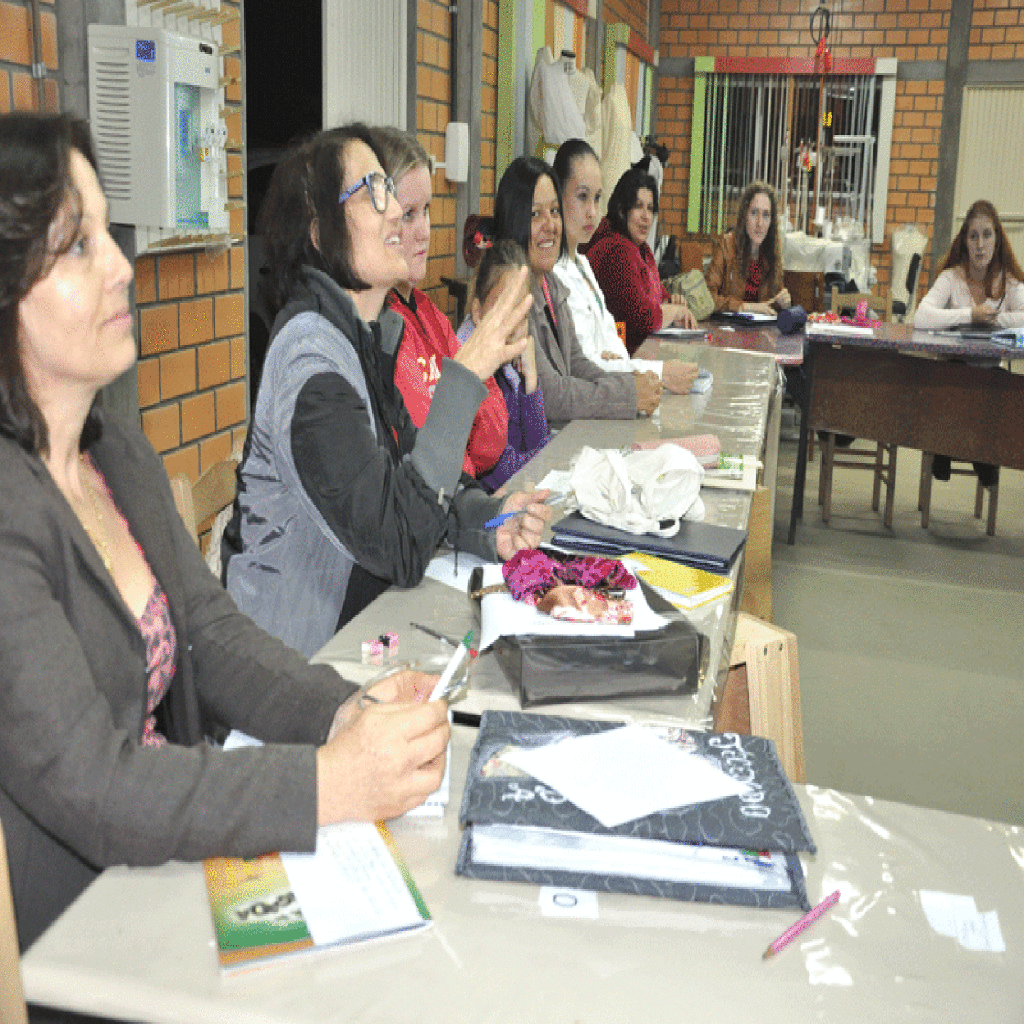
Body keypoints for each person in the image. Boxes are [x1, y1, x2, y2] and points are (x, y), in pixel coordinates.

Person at [0, 112, 454, 954]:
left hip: (168, 869)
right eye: (77, 246)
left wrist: (343, 709)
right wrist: (328, 782)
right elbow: (97, 784)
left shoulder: (112, 450)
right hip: (76, 943)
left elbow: (210, 635)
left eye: (109, 233)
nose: (119, 267)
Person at [224, 125, 550, 657]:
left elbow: (413, 480)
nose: (396, 210)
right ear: (319, 232)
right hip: (289, 675)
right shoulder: (310, 364)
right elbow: (398, 540)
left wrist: (490, 523)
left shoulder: (360, 340)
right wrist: (462, 378)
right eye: (374, 191)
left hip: (355, 645)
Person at [370, 127, 513, 479]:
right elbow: (436, 465)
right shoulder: (380, 327)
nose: (424, 231)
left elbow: (492, 439)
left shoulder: (430, 314)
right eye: (408, 215)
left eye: (427, 210)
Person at [492, 156, 659, 423]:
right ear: (514, 218)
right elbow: (551, 396)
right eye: (535, 214)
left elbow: (576, 362)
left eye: (554, 211)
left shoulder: (549, 281)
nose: (550, 225)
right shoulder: (509, 290)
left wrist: (629, 384)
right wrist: (626, 394)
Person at [551, 139, 699, 396]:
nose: (592, 211)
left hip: (616, 386)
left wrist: (618, 363)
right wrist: (659, 373)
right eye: (582, 197)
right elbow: (582, 367)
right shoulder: (596, 256)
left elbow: (613, 346)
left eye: (597, 198)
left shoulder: (583, 263)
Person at [914, 199, 1024, 486]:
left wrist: (994, 319)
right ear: (964, 241)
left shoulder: (1009, 281)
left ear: (997, 239)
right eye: (973, 236)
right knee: (955, 375)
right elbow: (921, 317)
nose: (980, 244)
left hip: (988, 379)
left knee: (1000, 382)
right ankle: (961, 448)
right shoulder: (952, 277)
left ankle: (974, 451)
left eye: (987, 235)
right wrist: (969, 315)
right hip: (953, 378)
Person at [456, 240, 551, 491]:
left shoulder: (510, 371)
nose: (514, 323)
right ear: (477, 314)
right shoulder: (471, 374)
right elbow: (508, 470)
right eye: (503, 309)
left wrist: (531, 382)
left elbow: (535, 442)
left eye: (522, 313)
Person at [584, 165, 698, 355]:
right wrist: (675, 311)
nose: (646, 217)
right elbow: (644, 317)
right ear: (622, 210)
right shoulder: (616, 250)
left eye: (650, 209)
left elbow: (659, 297)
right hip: (616, 363)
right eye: (638, 207)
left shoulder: (641, 249)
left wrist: (671, 302)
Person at [704, 180, 791, 315]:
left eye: (766, 215)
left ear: (771, 222)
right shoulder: (726, 245)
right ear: (744, 216)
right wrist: (745, 307)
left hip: (761, 332)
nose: (760, 223)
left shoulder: (771, 253)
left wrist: (782, 302)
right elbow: (707, 299)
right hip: (728, 330)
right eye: (754, 213)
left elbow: (769, 306)